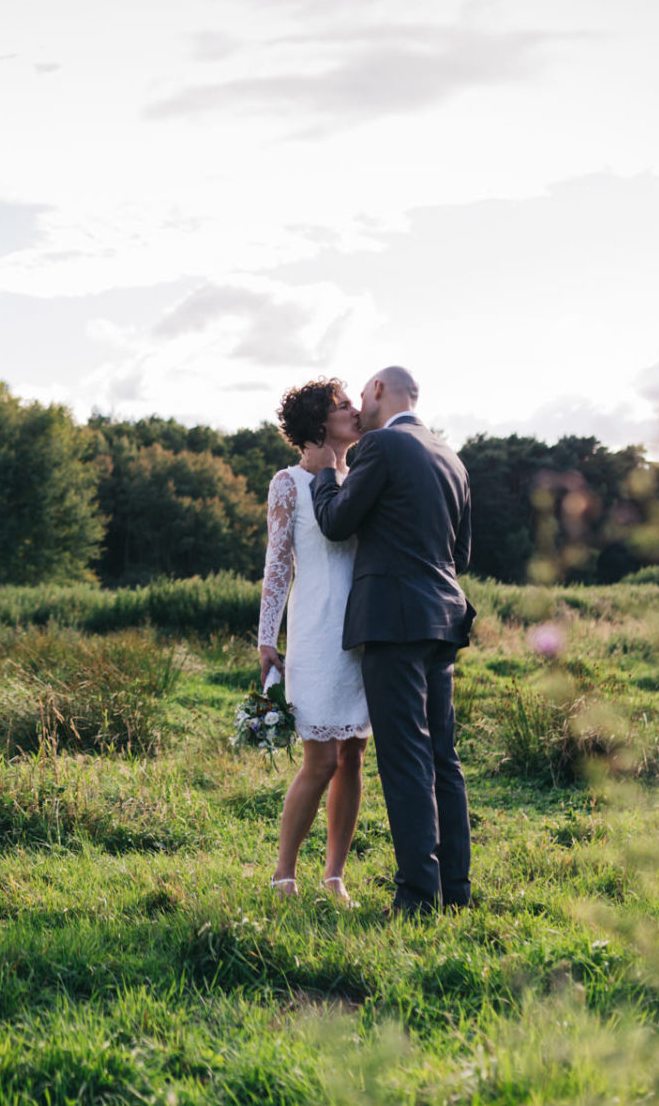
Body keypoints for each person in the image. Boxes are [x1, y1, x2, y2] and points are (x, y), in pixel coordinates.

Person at [307, 365, 476, 915]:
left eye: (361, 393)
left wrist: (325, 473)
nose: (358, 404)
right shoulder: (450, 456)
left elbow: (336, 522)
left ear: (380, 390)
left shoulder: (380, 447)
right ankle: (456, 891)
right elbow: (462, 553)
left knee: (405, 759)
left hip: (393, 623)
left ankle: (416, 899)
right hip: (443, 618)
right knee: (441, 758)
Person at [256, 377, 372, 906]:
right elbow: (277, 564)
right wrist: (266, 640)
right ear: (319, 422)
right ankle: (284, 873)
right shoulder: (289, 482)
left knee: (353, 755)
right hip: (317, 629)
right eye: (343, 405)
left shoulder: (363, 475)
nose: (355, 410)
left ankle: (334, 875)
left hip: (363, 630)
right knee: (320, 759)